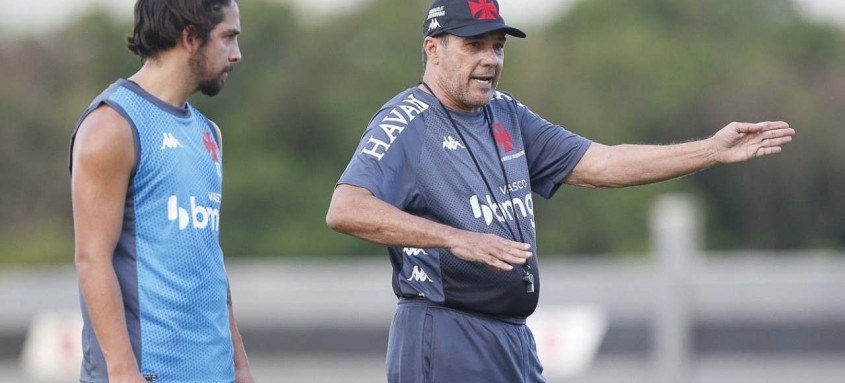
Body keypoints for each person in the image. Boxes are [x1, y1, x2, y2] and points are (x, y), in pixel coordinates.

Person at [325, 0, 795, 382]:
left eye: (497, 47)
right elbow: (346, 208)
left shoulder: (506, 113)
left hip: (512, 338)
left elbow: (603, 163)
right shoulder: (406, 121)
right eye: (474, 45)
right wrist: (455, 238)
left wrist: (711, 150)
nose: (490, 59)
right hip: (446, 336)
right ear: (433, 49)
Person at [69, 0, 253, 382]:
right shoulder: (112, 127)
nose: (237, 54)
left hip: (212, 372)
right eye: (228, 38)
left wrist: (239, 365)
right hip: (148, 373)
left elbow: (208, 261)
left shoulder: (209, 134)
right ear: (190, 37)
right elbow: (92, 259)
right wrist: (122, 371)